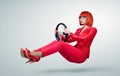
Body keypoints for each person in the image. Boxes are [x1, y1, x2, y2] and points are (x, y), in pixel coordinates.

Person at [20, 11, 97, 64]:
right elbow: (70, 40)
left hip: (81, 56)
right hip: (72, 56)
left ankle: (37, 54)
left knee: (60, 44)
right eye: (80, 17)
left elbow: (85, 39)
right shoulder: (79, 30)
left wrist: (70, 33)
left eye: (83, 17)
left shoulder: (93, 29)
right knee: (56, 42)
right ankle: (34, 54)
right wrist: (61, 35)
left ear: (89, 18)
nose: (80, 19)